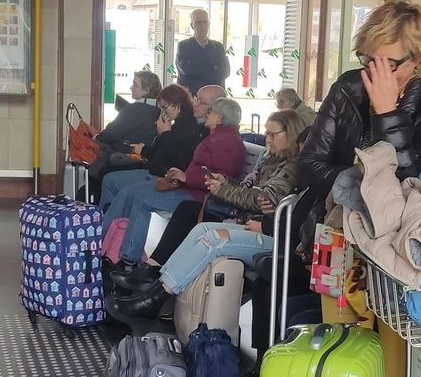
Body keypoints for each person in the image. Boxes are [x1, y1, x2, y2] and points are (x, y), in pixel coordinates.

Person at [300, 1, 421, 377]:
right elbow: (310, 165)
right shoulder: (347, 90)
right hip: (340, 243)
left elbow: (417, 194)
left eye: (390, 62)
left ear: (419, 61)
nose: (377, 72)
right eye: (370, 60)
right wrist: (360, 191)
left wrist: (387, 115)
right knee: (341, 362)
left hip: (396, 260)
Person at [110, 109, 305, 319]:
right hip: (257, 224)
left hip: (267, 232)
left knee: (212, 237)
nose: (267, 139)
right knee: (200, 227)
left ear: (290, 134)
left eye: (272, 134)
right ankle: (156, 288)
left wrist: (223, 189)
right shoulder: (272, 161)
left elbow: (263, 200)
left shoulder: (290, 166)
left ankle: (155, 297)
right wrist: (226, 184)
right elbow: (260, 198)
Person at [102, 97, 246, 267]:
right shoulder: (221, 138)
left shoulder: (226, 141)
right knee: (133, 194)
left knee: (141, 199)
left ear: (220, 118)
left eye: (211, 111)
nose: (207, 114)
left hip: (198, 196)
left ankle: (127, 258)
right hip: (192, 190)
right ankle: (111, 247)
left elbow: (221, 177)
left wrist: (187, 178)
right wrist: (184, 175)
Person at [97, 84, 205, 207]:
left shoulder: (189, 130)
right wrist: (144, 148)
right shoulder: (175, 126)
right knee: (110, 180)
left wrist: (165, 134)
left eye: (165, 108)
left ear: (177, 106)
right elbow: (158, 151)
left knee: (122, 191)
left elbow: (177, 160)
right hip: (155, 171)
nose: (163, 113)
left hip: (164, 177)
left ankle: (108, 222)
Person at [175, 9, 230, 96]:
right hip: (191, 98)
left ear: (209, 24)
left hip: (213, 98)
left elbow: (224, 72)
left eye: (205, 22)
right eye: (198, 23)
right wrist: (210, 72)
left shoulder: (218, 47)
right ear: (192, 25)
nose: (202, 26)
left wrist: (201, 74)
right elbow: (185, 72)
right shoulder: (183, 46)